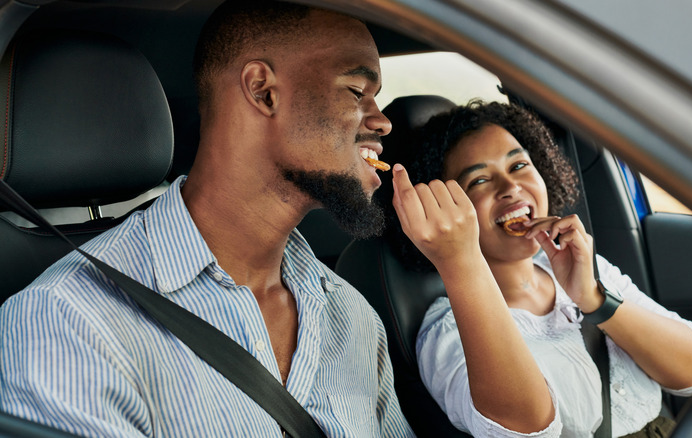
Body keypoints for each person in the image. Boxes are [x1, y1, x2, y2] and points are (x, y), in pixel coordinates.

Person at [0, 1, 414, 437]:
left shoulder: (352, 317)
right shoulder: (69, 323)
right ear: (263, 91)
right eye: (356, 91)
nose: (383, 121)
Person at [391, 100, 692, 437]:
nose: (510, 188)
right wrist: (460, 258)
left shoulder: (583, 267)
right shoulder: (448, 330)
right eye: (478, 181)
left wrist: (593, 299)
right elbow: (524, 432)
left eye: (518, 165)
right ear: (445, 211)